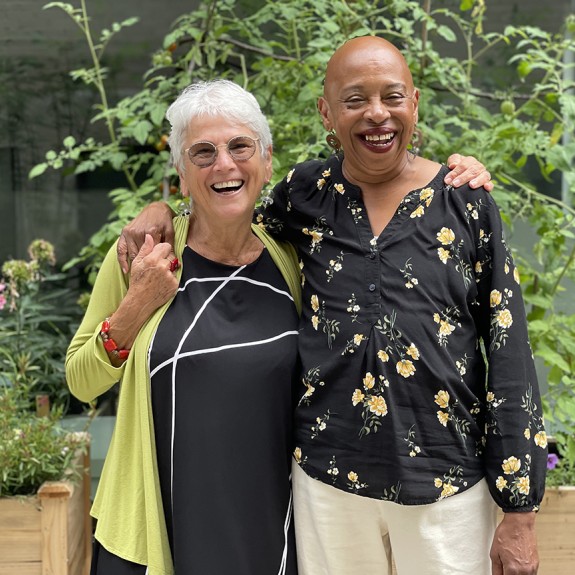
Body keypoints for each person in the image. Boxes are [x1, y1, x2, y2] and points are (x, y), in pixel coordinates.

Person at [117, 37, 547, 574]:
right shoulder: (304, 195)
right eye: (354, 100)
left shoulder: (465, 201)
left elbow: (509, 354)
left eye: (392, 97)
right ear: (327, 112)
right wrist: (160, 207)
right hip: (330, 490)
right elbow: (223, 216)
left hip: (449, 488)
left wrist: (520, 509)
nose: (376, 114)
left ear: (414, 104)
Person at [66, 79, 302, 575]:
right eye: (202, 152)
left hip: (269, 525)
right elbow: (81, 380)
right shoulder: (144, 252)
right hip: (159, 528)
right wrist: (134, 307)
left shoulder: (294, 259)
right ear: (179, 170)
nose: (225, 164)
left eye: (241, 146)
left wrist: (453, 181)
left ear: (267, 160)